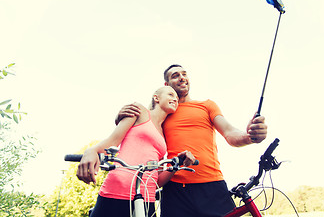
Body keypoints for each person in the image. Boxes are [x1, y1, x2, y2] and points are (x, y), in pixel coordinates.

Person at [115, 64, 268, 217]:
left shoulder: (207, 105)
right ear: (166, 85)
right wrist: (119, 117)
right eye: (175, 75)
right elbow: (140, 128)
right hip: (175, 190)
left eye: (184, 74)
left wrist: (249, 137)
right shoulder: (164, 113)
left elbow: (229, 132)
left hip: (211, 185)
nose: (182, 77)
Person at [76, 86, 196, 217]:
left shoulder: (164, 134)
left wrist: (177, 164)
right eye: (171, 95)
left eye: (177, 98)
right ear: (156, 98)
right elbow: (112, 141)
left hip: (147, 198)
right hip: (117, 189)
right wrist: (91, 151)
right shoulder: (140, 111)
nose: (175, 99)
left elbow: (156, 179)